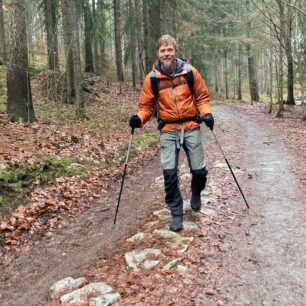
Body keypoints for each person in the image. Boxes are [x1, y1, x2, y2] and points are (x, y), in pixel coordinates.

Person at [129, 35, 214, 232]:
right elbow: (146, 106)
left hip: (191, 125)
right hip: (168, 128)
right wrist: (139, 119)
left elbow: (202, 97)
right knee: (169, 173)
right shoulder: (152, 79)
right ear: (158, 54)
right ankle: (176, 213)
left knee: (199, 171)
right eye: (162, 51)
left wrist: (207, 114)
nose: (166, 54)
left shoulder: (189, 72)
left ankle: (195, 192)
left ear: (175, 51)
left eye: (169, 50)